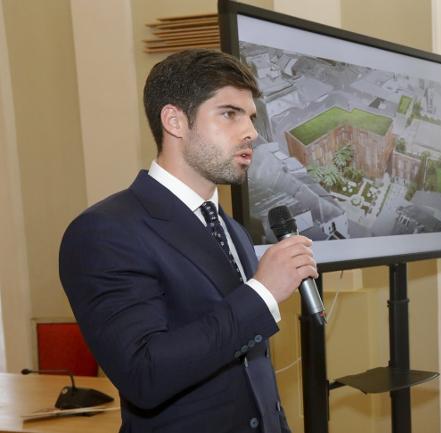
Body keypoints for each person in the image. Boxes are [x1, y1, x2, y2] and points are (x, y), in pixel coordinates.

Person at [59, 49, 317, 433]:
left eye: (250, 116)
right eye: (229, 114)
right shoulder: (105, 231)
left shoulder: (233, 230)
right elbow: (144, 374)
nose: (251, 132)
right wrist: (262, 293)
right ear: (175, 121)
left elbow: (251, 371)